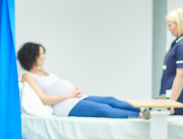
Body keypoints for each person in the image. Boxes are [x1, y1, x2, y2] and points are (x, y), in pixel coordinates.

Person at [18, 43, 148, 119]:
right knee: (104, 109)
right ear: (31, 56)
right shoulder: (28, 76)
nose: (44, 57)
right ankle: (140, 116)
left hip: (74, 98)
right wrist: (70, 94)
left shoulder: (46, 69)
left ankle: (144, 109)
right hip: (63, 106)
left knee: (110, 100)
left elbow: (57, 86)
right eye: (41, 54)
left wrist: (73, 91)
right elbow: (43, 99)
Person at [159, 8, 183, 116]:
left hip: (177, 99)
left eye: (170, 25)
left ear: (179, 24)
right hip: (171, 96)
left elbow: (181, 76)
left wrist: (172, 102)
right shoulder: (177, 43)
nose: (168, 29)